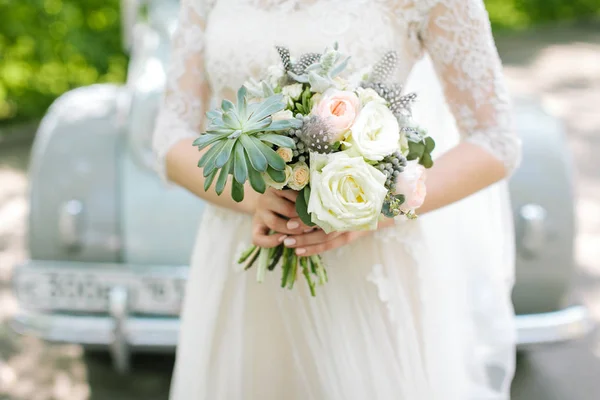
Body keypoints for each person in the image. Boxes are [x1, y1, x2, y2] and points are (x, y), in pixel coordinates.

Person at [152, 0, 521, 398]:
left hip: (367, 271)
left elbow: (495, 140)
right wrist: (252, 198)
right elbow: (170, 135)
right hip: (242, 256)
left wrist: (374, 208)